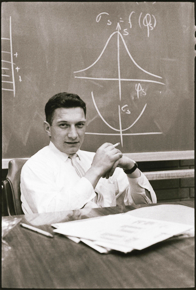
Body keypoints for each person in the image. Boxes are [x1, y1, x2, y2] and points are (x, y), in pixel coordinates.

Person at [20, 92, 157, 214]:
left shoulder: (98, 159)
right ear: (48, 128)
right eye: (63, 125)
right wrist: (95, 170)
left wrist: (131, 168)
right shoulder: (35, 167)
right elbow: (50, 215)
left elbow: (147, 206)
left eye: (79, 125)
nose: (73, 135)